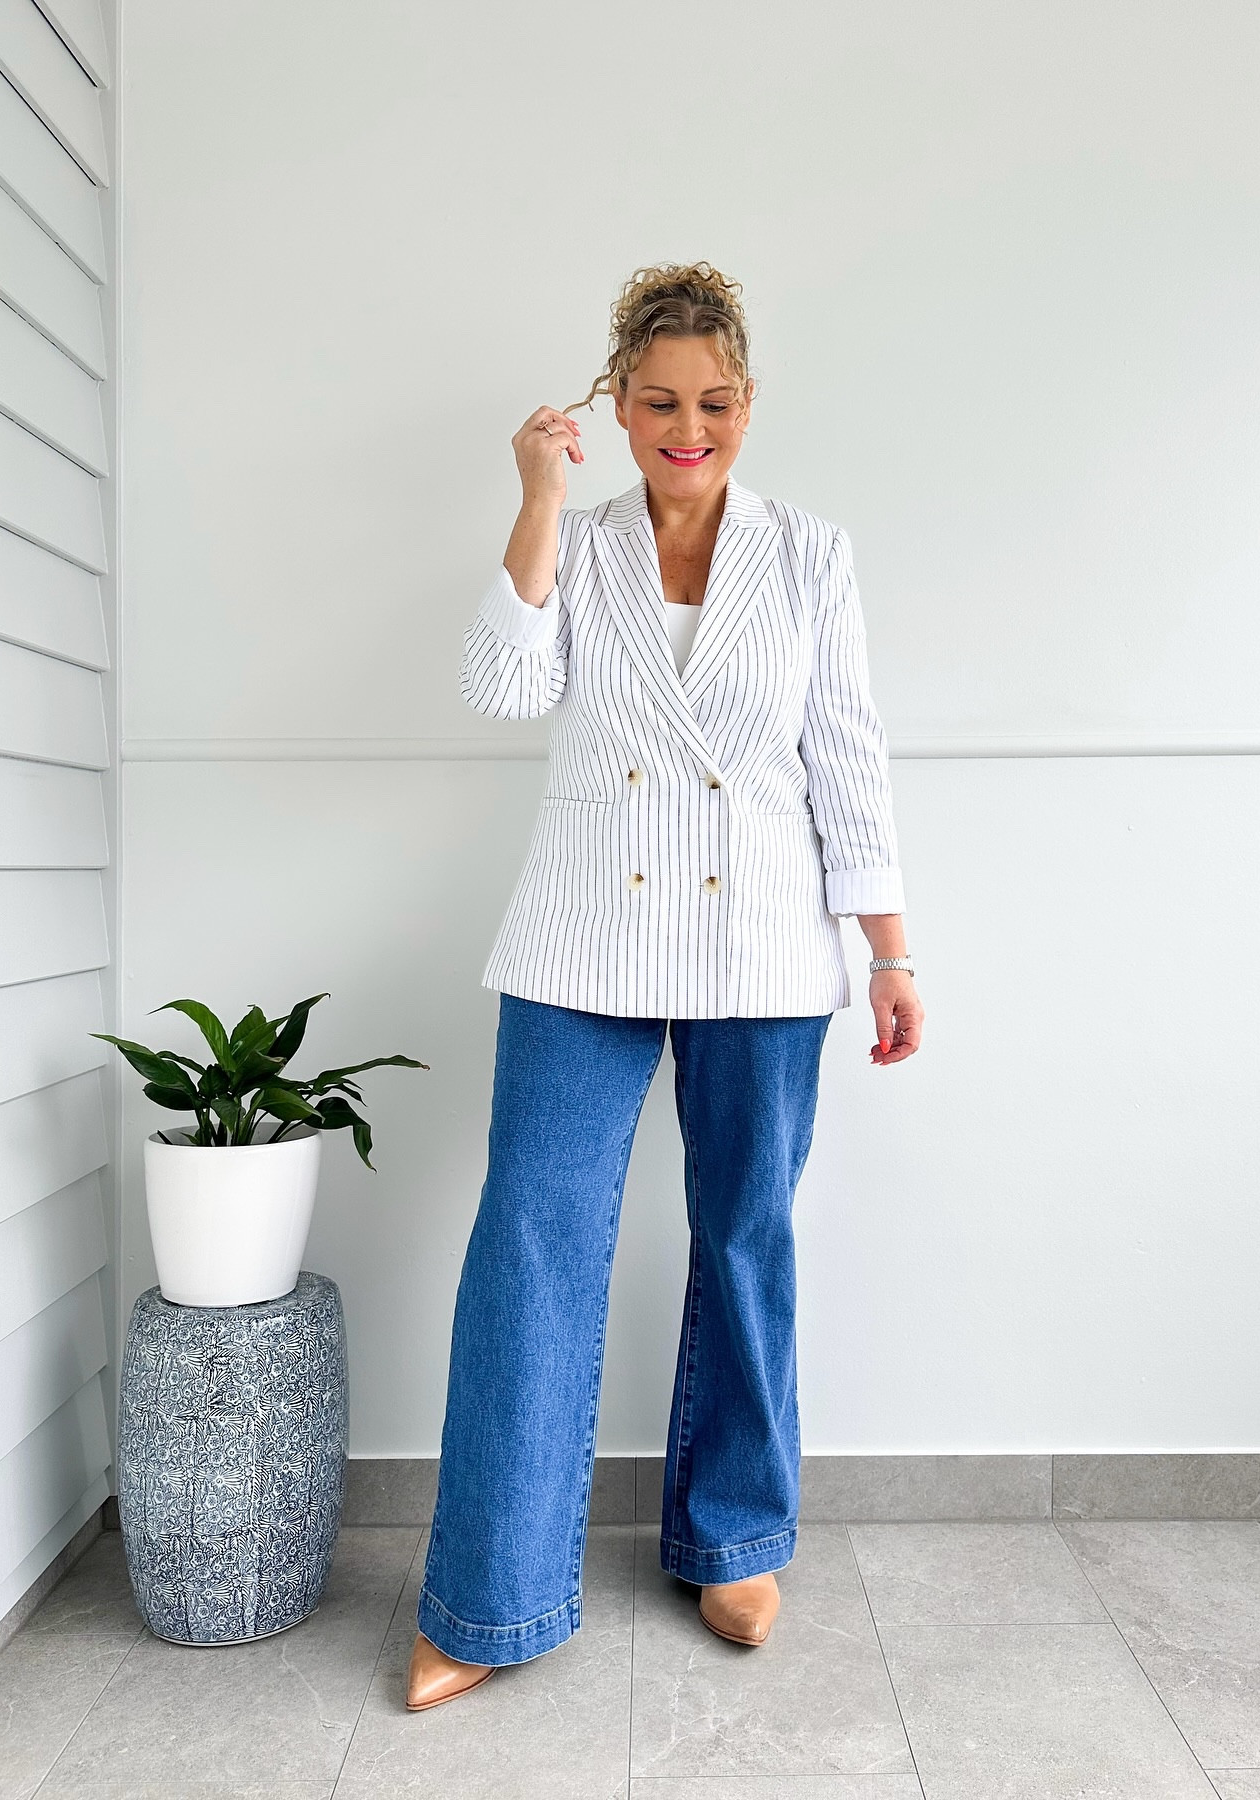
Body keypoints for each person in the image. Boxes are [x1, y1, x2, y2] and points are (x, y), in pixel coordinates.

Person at [406, 263, 924, 1710]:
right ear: (613, 408)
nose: (686, 427)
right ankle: (489, 1595)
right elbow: (505, 689)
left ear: (747, 405)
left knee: (747, 1231)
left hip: (766, 941)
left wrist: (888, 949)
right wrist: (531, 499)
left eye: (712, 402)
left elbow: (849, 760)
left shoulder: (811, 555)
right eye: (659, 402)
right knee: (530, 1239)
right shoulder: (578, 540)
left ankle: (734, 1533)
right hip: (582, 938)